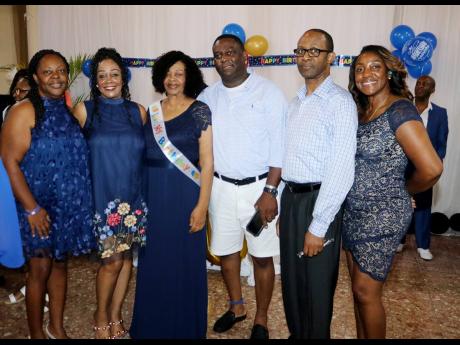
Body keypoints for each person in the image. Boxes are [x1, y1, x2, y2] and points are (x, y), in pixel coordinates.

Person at [343, 45, 443, 338]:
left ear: (388, 72)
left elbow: (432, 168)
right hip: (354, 210)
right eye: (359, 68)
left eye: (375, 66)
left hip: (383, 213)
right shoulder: (361, 110)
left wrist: (402, 191)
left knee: (365, 291)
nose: (366, 74)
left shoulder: (400, 110)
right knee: (358, 292)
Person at [0, 49, 96, 339]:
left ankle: (56, 327)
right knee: (39, 271)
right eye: (48, 71)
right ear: (35, 77)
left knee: (59, 266)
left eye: (61, 71)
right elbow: (10, 162)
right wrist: (32, 209)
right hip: (37, 209)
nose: (56, 77)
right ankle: (36, 334)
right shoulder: (23, 111)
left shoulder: (67, 110)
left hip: (66, 208)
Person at [198, 34, 287, 339]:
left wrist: (271, 191)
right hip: (221, 190)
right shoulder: (207, 98)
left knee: (262, 256)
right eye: (218, 55)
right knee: (227, 253)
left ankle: (260, 318)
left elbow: (280, 146)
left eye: (230, 52)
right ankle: (237, 307)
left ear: (245, 56)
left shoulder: (269, 92)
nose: (224, 58)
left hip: (258, 191)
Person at [279, 29, 358, 339]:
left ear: (331, 58)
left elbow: (341, 167)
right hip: (292, 200)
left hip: (319, 201)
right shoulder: (296, 101)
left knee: (316, 286)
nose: (305, 57)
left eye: (314, 51)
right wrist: (286, 206)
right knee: (293, 281)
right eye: (301, 51)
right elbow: (291, 158)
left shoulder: (340, 102)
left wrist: (319, 224)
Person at [129, 50, 212, 339]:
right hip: (154, 197)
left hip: (185, 196)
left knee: (185, 264)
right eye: (168, 73)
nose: (173, 79)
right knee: (154, 263)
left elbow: (208, 162)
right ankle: (151, 326)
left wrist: (202, 206)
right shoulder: (149, 112)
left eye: (179, 73)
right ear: (160, 78)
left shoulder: (200, 110)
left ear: (188, 76)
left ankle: (185, 328)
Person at [72, 47, 147, 339]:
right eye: (102, 76)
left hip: (133, 199)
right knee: (112, 262)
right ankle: (100, 314)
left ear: (123, 77)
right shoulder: (85, 110)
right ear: (95, 81)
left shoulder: (137, 111)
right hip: (102, 199)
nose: (109, 80)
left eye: (114, 74)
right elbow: (72, 155)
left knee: (126, 258)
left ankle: (115, 314)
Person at [397, 75, 448, 260]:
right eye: (418, 83)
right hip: (402, 166)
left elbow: (441, 143)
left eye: (426, 84)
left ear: (432, 90)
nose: (420, 86)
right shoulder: (403, 109)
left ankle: (423, 246)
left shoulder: (440, 114)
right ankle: (399, 241)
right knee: (400, 202)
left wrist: (436, 165)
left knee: (423, 206)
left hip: (425, 169)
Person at [2, 68, 35, 307]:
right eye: (16, 89)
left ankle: (33, 286)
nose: (17, 94)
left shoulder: (38, 112)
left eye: (23, 90)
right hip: (10, 180)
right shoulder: (9, 112)